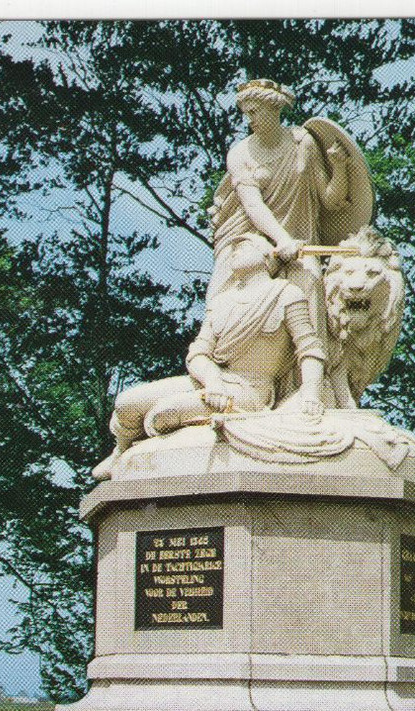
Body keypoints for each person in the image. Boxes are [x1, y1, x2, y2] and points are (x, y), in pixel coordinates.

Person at [91, 233, 327, 481]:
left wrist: (311, 395)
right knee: (126, 403)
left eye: (244, 246)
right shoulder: (221, 301)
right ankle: (120, 451)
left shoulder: (285, 294)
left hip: (249, 389)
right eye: (234, 248)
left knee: (162, 415)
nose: (235, 251)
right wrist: (213, 381)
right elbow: (198, 354)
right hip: (209, 381)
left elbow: (309, 348)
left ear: (267, 257)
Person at [207, 78, 352, 355]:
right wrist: (282, 240)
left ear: (274, 110)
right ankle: (213, 364)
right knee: (219, 297)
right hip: (248, 239)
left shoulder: (302, 143)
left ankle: (313, 377)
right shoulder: (240, 154)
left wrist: (339, 165)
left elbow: (331, 201)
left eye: (254, 112)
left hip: (299, 242)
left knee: (310, 283)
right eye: (245, 114)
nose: (249, 120)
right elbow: (252, 205)